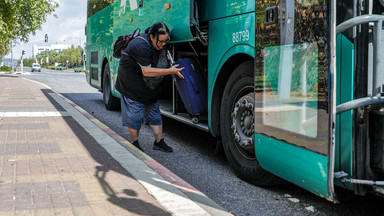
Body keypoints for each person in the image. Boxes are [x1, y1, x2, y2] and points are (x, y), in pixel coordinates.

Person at [116, 22, 184, 152]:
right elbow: (146, 71)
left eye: (166, 41)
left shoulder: (159, 43)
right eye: (160, 42)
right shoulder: (140, 46)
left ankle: (159, 142)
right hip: (131, 82)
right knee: (135, 114)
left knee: (154, 112)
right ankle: (134, 143)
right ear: (152, 37)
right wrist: (170, 71)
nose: (163, 44)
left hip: (149, 84)